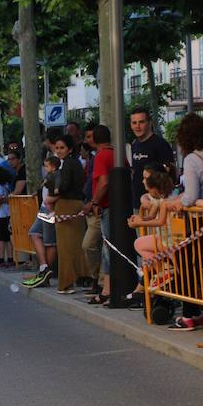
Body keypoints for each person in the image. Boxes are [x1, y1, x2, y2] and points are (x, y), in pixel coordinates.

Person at [82, 125, 116, 306]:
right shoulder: (115, 153)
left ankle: (108, 289)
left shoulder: (102, 156)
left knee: (107, 249)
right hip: (113, 207)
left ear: (94, 139)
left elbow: (103, 182)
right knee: (106, 248)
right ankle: (106, 288)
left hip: (107, 207)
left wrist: (94, 202)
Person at [50, 135, 87, 294]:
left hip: (66, 206)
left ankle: (66, 283)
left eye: (62, 148)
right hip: (76, 206)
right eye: (57, 148)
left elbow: (63, 186)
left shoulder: (67, 165)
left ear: (70, 149)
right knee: (77, 246)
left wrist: (53, 192)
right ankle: (84, 277)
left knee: (65, 248)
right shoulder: (75, 163)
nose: (58, 151)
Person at [130, 169, 175, 290]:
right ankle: (162, 271)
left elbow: (160, 221)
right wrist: (140, 219)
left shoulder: (166, 202)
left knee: (139, 244)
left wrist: (140, 223)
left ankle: (162, 272)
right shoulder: (158, 200)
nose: (148, 192)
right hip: (164, 238)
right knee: (140, 244)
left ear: (155, 189)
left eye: (149, 189)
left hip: (169, 241)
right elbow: (150, 216)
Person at [22, 156, 60, 288]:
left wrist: (51, 200)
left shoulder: (56, 175)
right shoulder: (50, 176)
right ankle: (44, 267)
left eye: (47, 166)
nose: (45, 168)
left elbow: (59, 190)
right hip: (44, 207)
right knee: (34, 232)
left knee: (50, 241)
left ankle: (46, 272)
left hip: (49, 209)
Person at [129, 108, 175, 210]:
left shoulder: (160, 144)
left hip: (157, 203)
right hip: (138, 203)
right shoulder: (134, 144)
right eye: (134, 123)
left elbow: (170, 172)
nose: (137, 126)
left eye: (141, 122)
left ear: (150, 123)